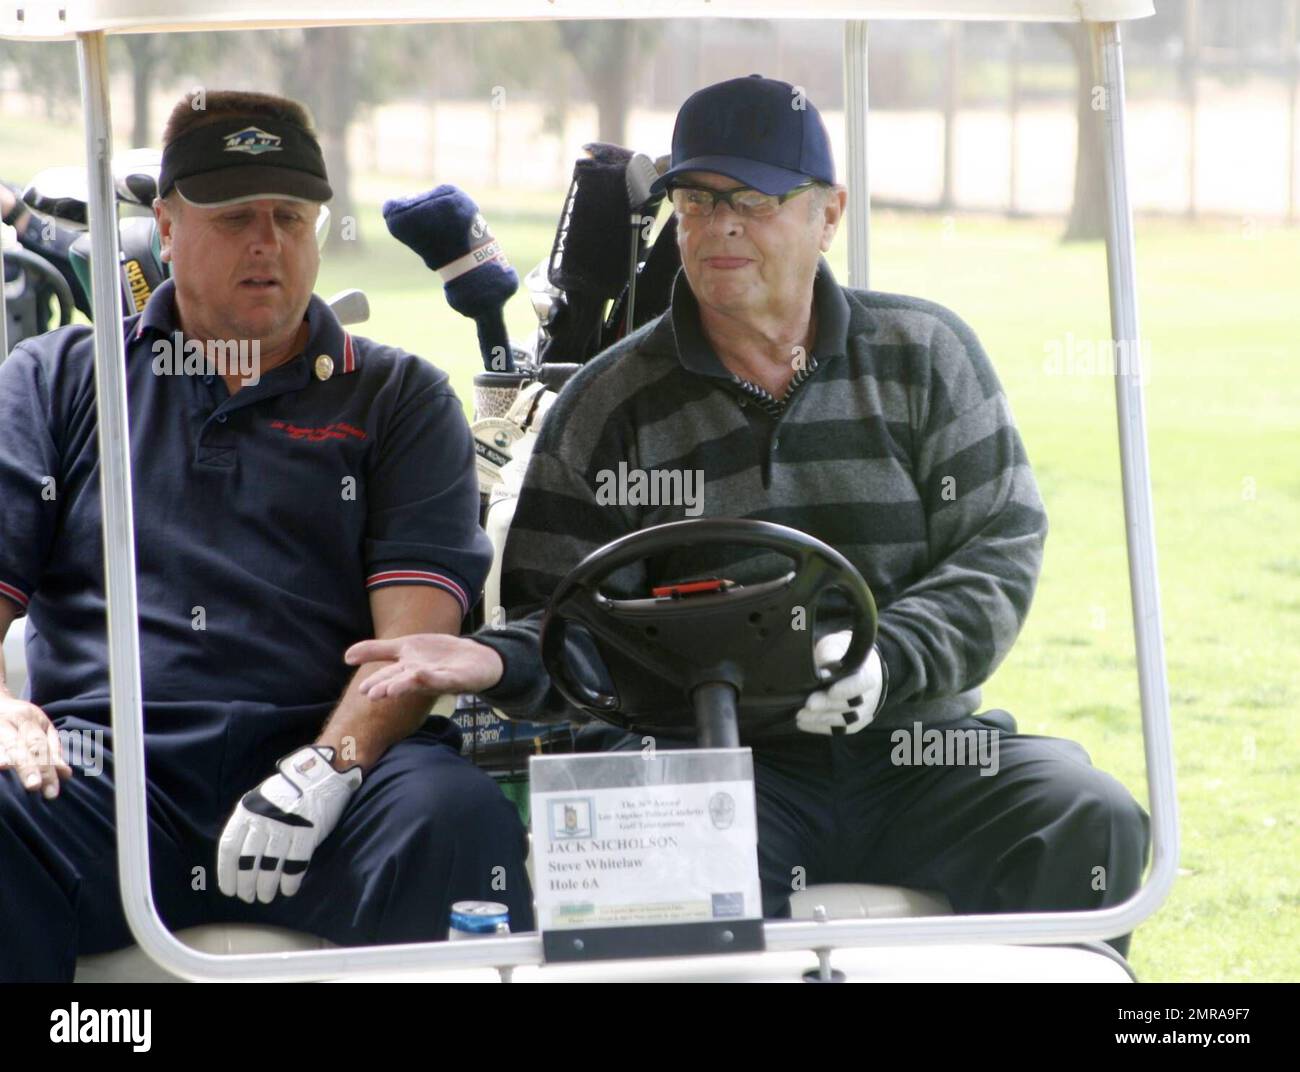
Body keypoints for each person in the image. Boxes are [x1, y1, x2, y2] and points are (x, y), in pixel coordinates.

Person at [346, 75, 1151, 958]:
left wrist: (887, 662)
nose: (720, 225)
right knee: (654, 865)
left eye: (755, 200)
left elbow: (996, 549)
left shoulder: (924, 356)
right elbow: (566, 624)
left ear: (828, 214)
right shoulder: (608, 403)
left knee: (1089, 816)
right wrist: (494, 659)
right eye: (695, 201)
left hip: (917, 749)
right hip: (698, 767)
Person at [0, 90, 532, 983]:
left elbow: (408, 648)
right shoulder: (60, 379)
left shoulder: (398, 398)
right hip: (107, 776)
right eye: (236, 216)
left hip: (336, 775)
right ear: (166, 226)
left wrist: (326, 768)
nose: (267, 242)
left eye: (291, 216)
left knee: (455, 817)